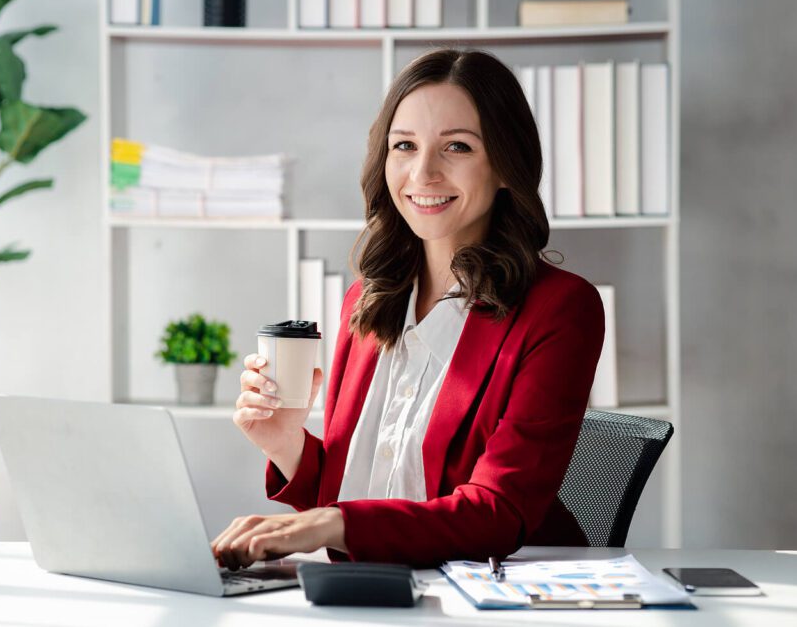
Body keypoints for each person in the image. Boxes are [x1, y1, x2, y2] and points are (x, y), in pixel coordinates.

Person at [211, 48, 605, 570]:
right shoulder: (369, 301)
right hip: (376, 590)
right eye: (404, 146)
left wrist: (330, 524)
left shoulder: (560, 309)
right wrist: (287, 445)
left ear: (507, 165)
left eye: (457, 147)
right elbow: (354, 491)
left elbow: (499, 511)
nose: (424, 173)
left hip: (500, 595)